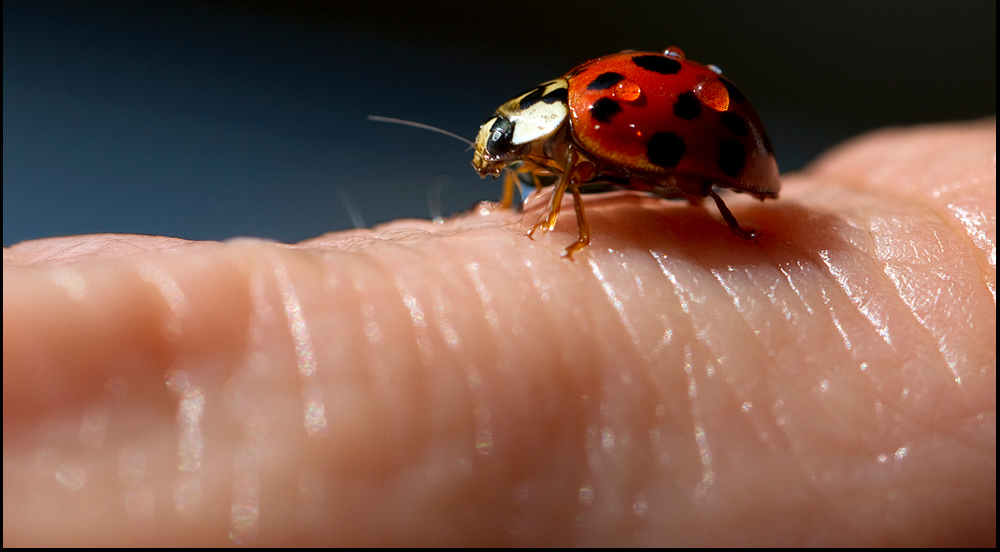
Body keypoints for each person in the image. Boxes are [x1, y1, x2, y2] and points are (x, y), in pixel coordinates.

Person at [3, 120, 994, 545]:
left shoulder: (575, 148)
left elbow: (608, 168)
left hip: (737, 181)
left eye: (507, 155)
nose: (507, 172)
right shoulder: (566, 141)